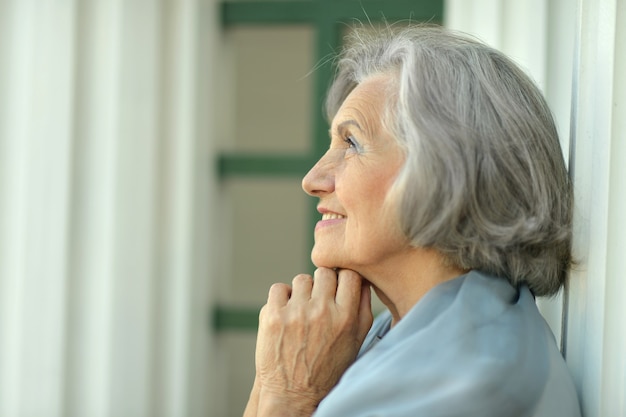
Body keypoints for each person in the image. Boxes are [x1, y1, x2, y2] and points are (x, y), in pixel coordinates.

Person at [243, 25, 581, 417]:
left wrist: (286, 394)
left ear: (449, 174)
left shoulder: (462, 384)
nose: (313, 180)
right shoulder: (417, 331)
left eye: (351, 144)